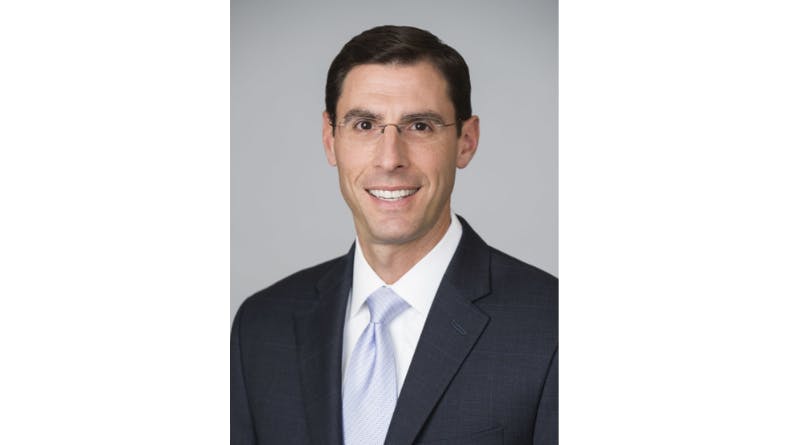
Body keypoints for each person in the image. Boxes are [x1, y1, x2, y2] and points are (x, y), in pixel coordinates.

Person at [231, 25, 557, 445]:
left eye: (419, 126)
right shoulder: (261, 326)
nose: (390, 159)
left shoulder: (552, 326)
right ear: (331, 140)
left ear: (466, 141)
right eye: (365, 124)